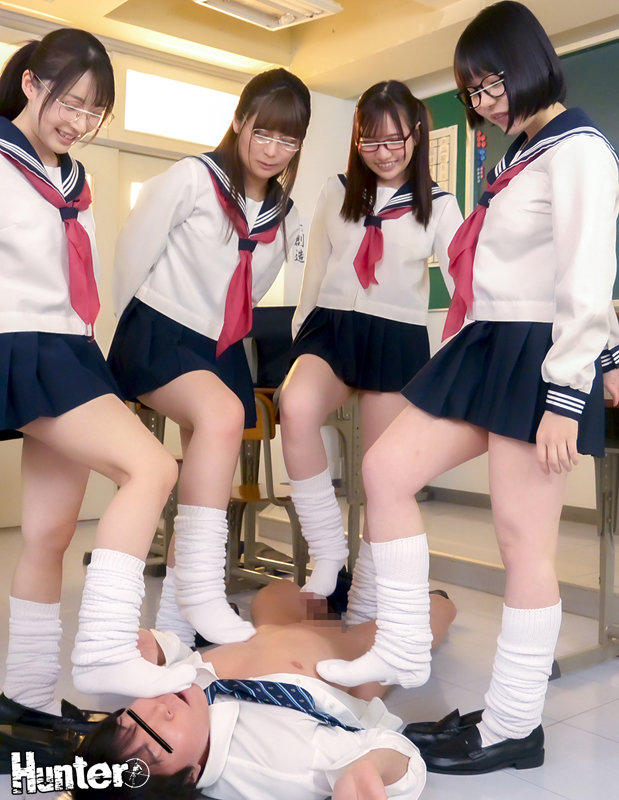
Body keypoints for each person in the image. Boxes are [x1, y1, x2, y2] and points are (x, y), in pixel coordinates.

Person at [315, 0, 619, 774]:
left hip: (537, 355)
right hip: (485, 343)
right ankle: (401, 642)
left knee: (522, 545)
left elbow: (586, 277)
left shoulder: (579, 149)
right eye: (471, 92)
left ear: (530, 64)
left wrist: (567, 395)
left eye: (491, 85)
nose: (483, 103)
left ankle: (512, 727)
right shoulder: (520, 154)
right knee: (385, 468)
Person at [0, 28, 196, 720]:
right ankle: (107, 646)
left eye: (93, 111)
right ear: (31, 84)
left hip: (69, 347)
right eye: (70, 102)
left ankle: (23, 707)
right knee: (153, 468)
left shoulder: (70, 178)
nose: (79, 122)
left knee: (49, 535)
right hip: (20, 343)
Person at [107, 69, 311, 648]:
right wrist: (122, 332)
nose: (272, 150)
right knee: (224, 414)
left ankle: (176, 628)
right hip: (159, 328)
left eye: (288, 140)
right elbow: (133, 251)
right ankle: (202, 590)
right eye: (263, 132)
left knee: (209, 470)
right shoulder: (192, 178)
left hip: (218, 348)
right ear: (239, 121)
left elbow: (256, 290)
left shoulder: (285, 216)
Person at [278, 81, 463, 603]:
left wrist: (465, 348)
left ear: (416, 135)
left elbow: (465, 281)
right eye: (370, 142)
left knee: (382, 473)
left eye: (394, 141)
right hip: (332, 325)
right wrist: (300, 334)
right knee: (295, 407)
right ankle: (327, 550)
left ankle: (369, 588)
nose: (383, 154)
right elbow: (315, 269)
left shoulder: (439, 205)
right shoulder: (337, 191)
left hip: (396, 335)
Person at [72, 581, 457, 799]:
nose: (159, 710)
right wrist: (370, 767)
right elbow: (399, 754)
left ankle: (334, 604)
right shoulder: (282, 762)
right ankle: (409, 603)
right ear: (190, 776)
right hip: (345, 662)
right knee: (431, 613)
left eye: (130, 718)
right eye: (158, 739)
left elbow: (183, 661)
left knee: (276, 591)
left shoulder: (179, 704)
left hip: (269, 630)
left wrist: (157, 649)